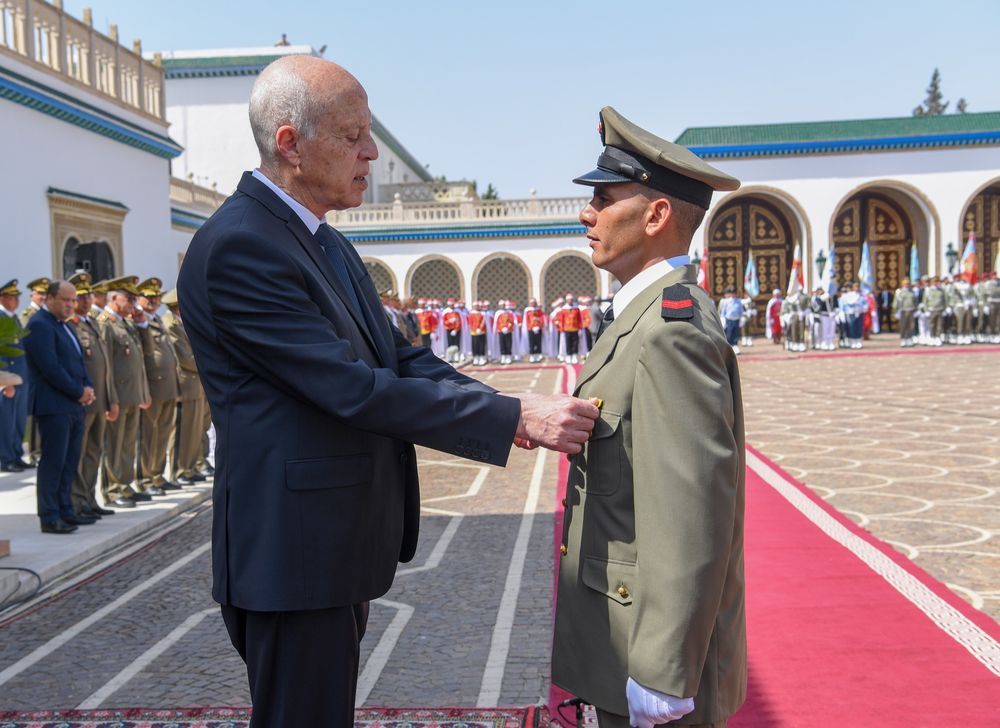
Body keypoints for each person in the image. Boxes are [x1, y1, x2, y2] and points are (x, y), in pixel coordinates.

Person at [176, 55, 599, 727]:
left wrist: (510, 412)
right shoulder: (242, 246)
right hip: (293, 551)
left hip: (329, 542)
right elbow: (351, 389)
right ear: (290, 143)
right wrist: (511, 415)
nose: (371, 153)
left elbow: (396, 357)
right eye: (353, 136)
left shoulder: (320, 239)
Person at [552, 106, 746, 728]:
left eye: (604, 199)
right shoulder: (642, 317)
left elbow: (691, 510)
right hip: (620, 630)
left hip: (646, 649)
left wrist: (664, 668)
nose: (587, 214)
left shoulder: (670, 331)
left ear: (657, 215)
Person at [22, 280, 96, 534]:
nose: (71, 305)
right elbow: (51, 368)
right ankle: (50, 515)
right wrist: (79, 391)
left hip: (73, 405)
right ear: (49, 299)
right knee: (53, 462)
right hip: (54, 405)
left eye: (73, 300)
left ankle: (66, 509)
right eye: (66, 300)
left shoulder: (63, 325)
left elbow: (78, 363)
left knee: (69, 461)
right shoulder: (39, 325)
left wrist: (88, 387)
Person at [98, 277, 153, 507]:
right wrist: (110, 399)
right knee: (115, 444)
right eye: (129, 298)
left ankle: (125, 485)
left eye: (134, 299)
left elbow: (146, 353)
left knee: (128, 443)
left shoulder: (128, 323)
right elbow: (106, 366)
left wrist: (142, 324)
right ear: (114, 297)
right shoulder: (105, 323)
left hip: (132, 394)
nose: (133, 304)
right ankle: (113, 490)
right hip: (118, 395)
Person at [66, 272, 117, 518]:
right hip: (84, 401)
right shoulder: (70, 325)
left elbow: (106, 367)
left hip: (100, 400)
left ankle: (89, 497)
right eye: (81, 296)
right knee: (78, 453)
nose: (86, 300)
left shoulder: (93, 323)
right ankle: (76, 502)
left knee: (94, 452)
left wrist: (111, 399)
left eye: (88, 296)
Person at [136, 277, 182, 495]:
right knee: (148, 436)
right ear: (139, 298)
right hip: (152, 388)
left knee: (162, 433)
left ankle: (157, 474)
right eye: (148, 297)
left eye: (156, 297)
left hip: (167, 386)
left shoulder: (155, 319)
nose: (153, 301)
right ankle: (145, 478)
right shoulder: (139, 322)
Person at [161, 288, 207, 486]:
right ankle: (179, 470)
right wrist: (209, 362)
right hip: (184, 384)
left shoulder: (181, 322)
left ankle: (189, 467)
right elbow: (186, 358)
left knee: (194, 430)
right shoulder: (170, 324)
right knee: (182, 431)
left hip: (193, 384)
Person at [0, 279, 31, 472]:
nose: (17, 301)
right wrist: (5, 383)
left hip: (21, 377)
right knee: (6, 421)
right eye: (12, 297)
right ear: (2, 298)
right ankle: (6, 458)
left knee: (19, 420)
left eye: (17, 297)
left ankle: (17, 454)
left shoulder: (14, 318)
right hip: (9, 379)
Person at [717, 287, 744, 354]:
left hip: (736, 319)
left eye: (734, 293)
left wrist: (742, 317)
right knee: (729, 333)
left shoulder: (738, 301)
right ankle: (730, 347)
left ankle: (735, 346)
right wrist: (722, 318)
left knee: (736, 333)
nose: (733, 294)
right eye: (732, 293)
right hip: (729, 319)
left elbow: (741, 310)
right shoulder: (726, 301)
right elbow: (723, 311)